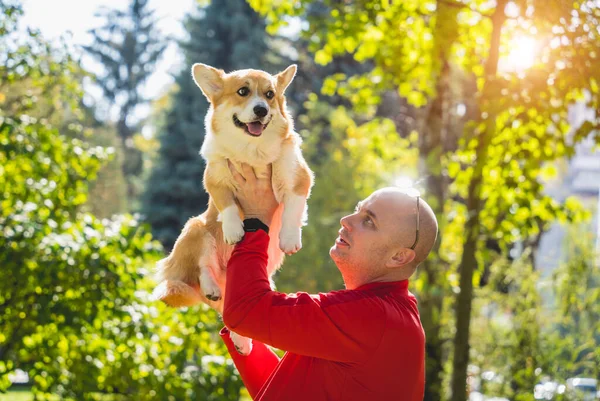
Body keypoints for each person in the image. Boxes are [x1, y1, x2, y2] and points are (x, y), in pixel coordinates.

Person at [220, 162, 438, 401]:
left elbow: (245, 310)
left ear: (399, 257)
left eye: (369, 221)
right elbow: (295, 390)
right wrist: (245, 335)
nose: (346, 219)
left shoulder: (372, 317)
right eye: (358, 209)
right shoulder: (386, 315)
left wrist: (257, 219)